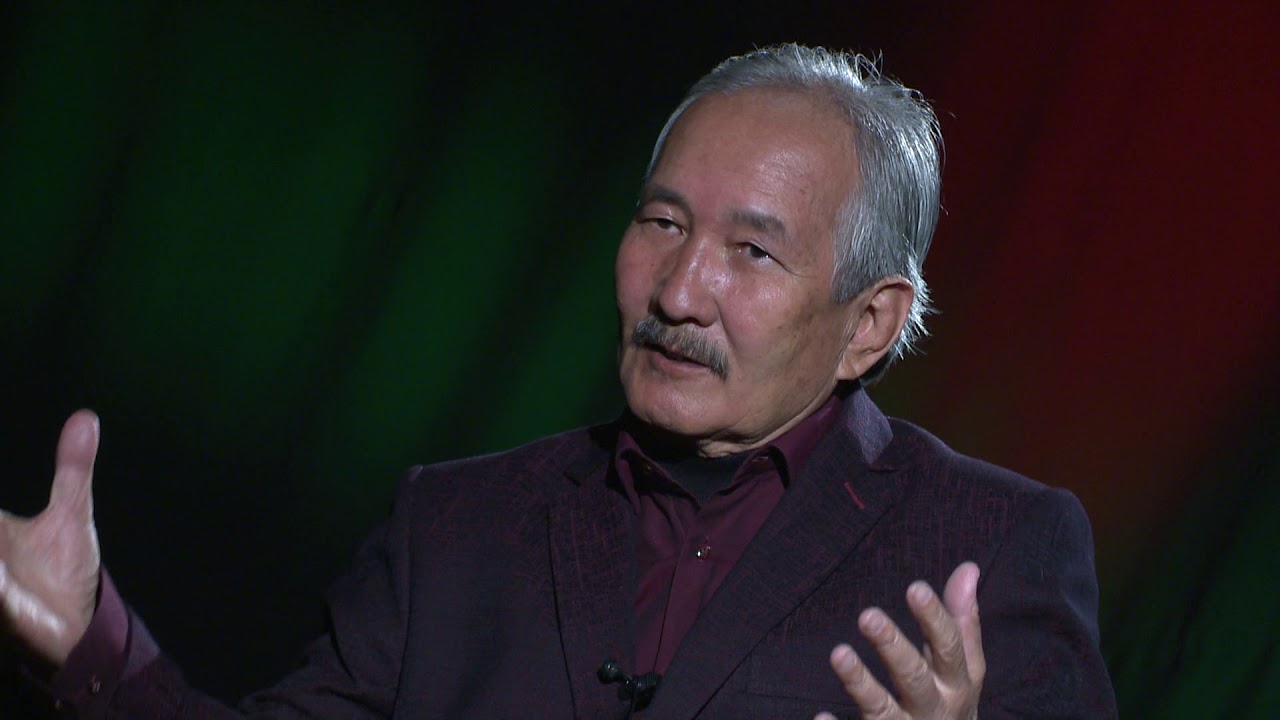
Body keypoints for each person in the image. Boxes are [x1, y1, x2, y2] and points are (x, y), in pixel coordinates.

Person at [0, 44, 1116, 718]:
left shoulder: (992, 547)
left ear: (869, 324)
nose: (678, 291)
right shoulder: (454, 523)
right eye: (661, 223)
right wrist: (88, 640)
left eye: (751, 251)